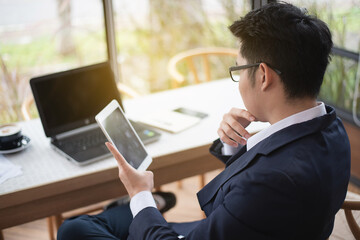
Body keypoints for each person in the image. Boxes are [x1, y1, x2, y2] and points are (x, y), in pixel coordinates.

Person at [57, 2, 351, 239]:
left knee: (75, 229)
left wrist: (140, 192)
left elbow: (264, 183)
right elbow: (270, 173)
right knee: (104, 222)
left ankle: (146, 206)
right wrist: (231, 145)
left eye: (238, 69)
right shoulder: (332, 129)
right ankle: (144, 209)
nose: (238, 81)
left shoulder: (270, 183)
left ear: (263, 75)